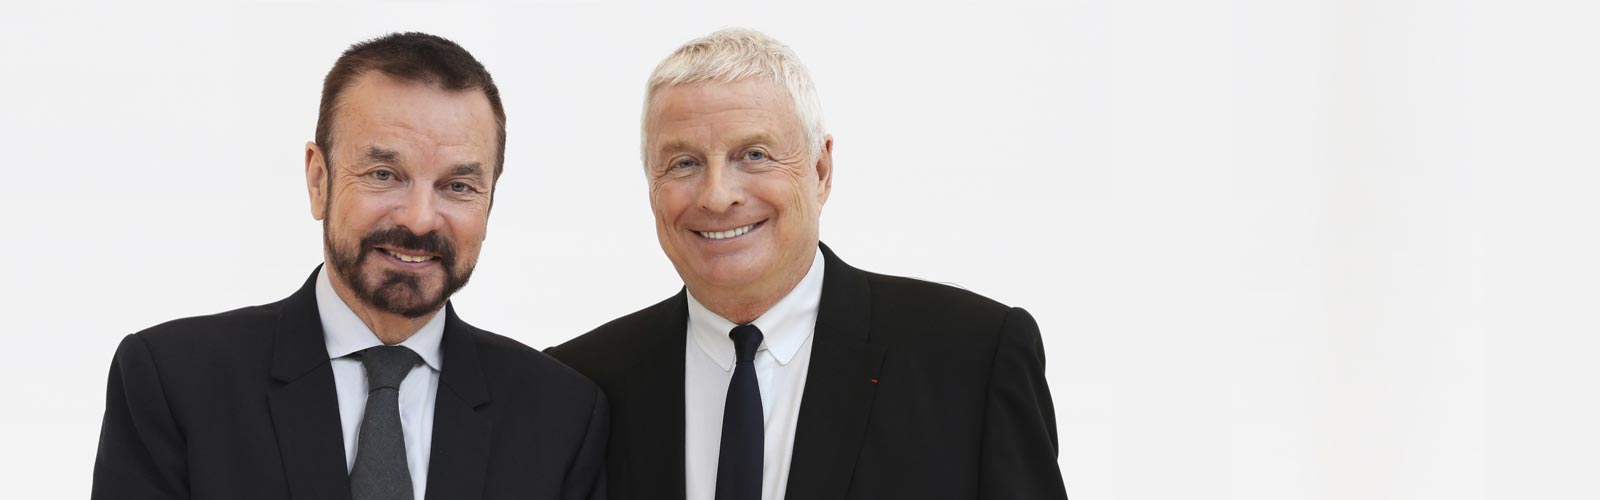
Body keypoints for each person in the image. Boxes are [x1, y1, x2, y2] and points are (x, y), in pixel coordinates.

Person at [549, 28, 1067, 500]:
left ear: (821, 170)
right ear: (651, 186)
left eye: (754, 154)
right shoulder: (577, 387)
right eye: (684, 163)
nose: (718, 196)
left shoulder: (973, 357)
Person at [91, 32, 606, 500]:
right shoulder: (175, 381)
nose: (420, 219)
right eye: (384, 174)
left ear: (490, 201)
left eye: (458, 186)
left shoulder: (560, 414)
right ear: (319, 180)